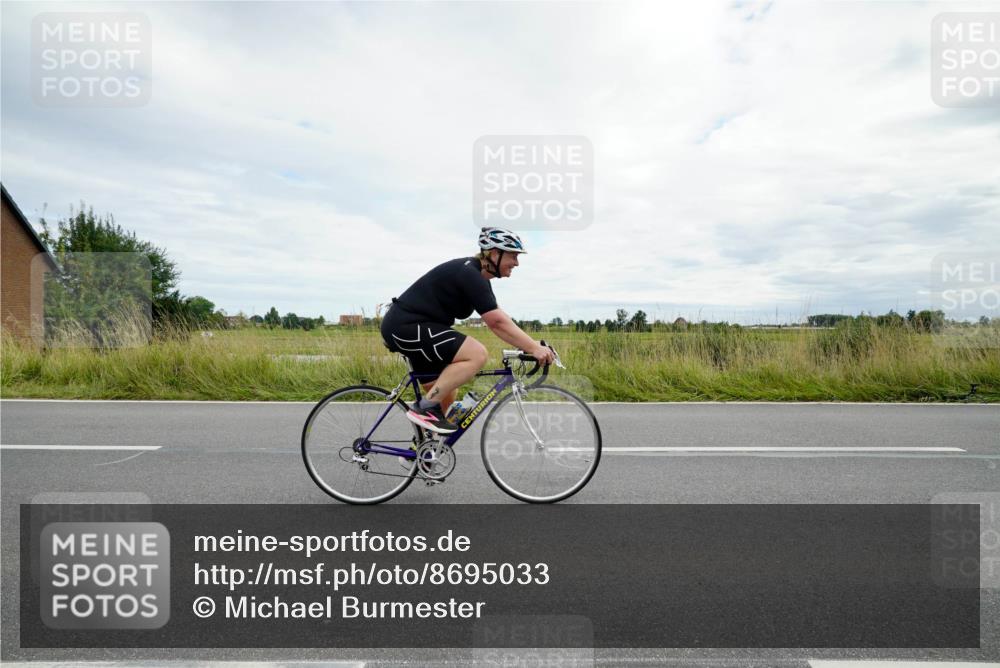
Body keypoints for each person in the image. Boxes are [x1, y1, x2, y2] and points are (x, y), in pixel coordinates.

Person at [381, 227, 556, 434]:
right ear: (493, 253)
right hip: (406, 327)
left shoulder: (478, 279)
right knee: (477, 353)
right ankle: (425, 408)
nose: (517, 263)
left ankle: (421, 453)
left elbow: (500, 316)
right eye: (513, 255)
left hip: (415, 328)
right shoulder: (469, 273)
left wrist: (532, 345)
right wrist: (533, 349)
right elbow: (496, 323)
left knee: (447, 393)